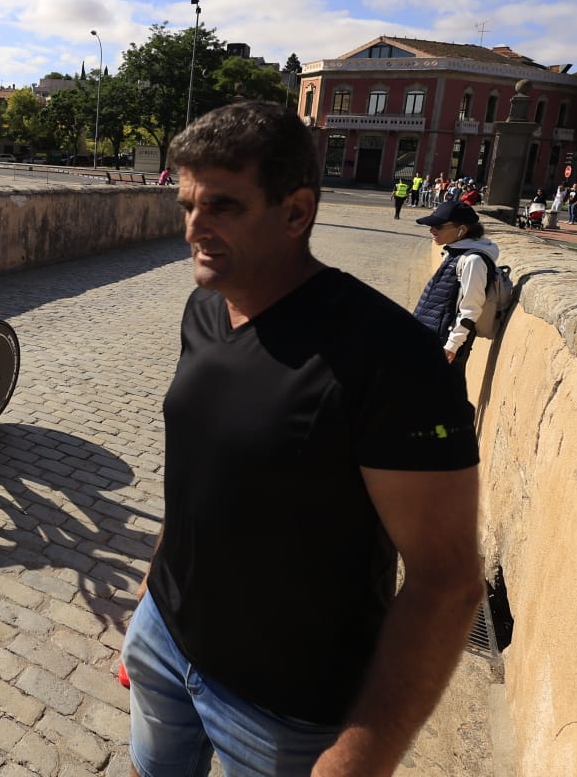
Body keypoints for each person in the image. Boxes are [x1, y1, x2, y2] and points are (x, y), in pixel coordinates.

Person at [122, 101, 482, 777]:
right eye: (187, 205)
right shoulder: (204, 306)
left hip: (283, 709)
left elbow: (448, 580)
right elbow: (199, 469)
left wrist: (358, 758)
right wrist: (154, 591)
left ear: (296, 212)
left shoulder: (388, 357)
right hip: (163, 643)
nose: (195, 228)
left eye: (223, 206)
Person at [412, 201, 502, 386]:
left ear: (461, 230)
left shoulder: (473, 261)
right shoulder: (455, 253)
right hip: (431, 338)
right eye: (431, 226)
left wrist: (452, 346)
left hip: (444, 344)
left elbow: (470, 309)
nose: (432, 231)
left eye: (438, 226)